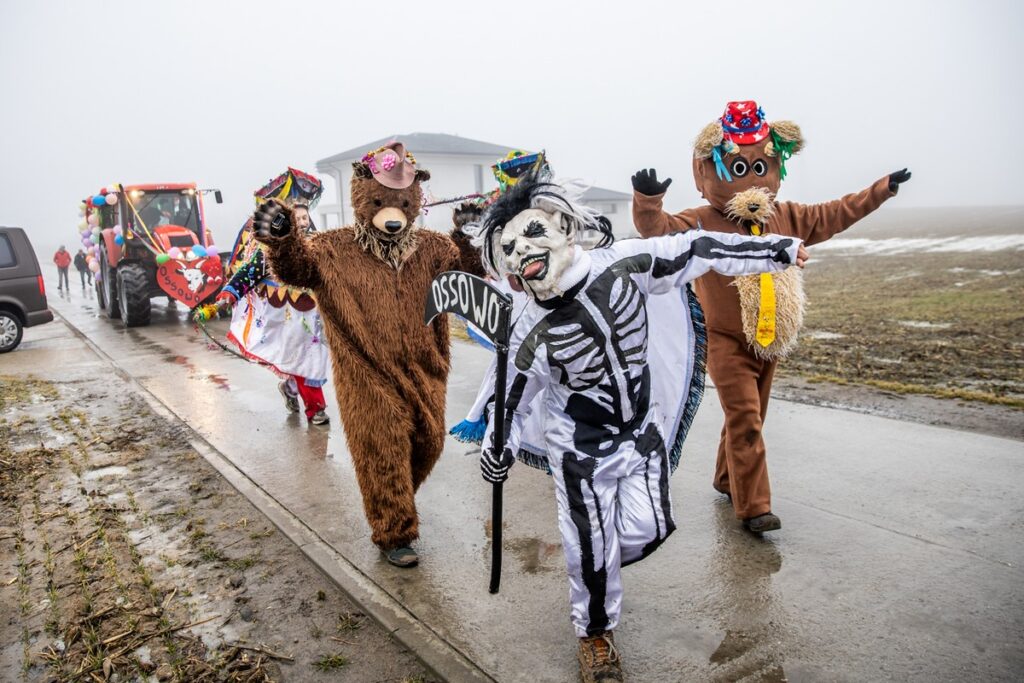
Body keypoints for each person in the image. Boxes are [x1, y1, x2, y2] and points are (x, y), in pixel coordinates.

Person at [476, 175, 807, 682]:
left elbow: (697, 247)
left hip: (640, 437)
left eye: (533, 233)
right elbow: (510, 401)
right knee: (590, 546)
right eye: (510, 248)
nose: (523, 251)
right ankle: (595, 636)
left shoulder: (626, 266)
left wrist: (773, 252)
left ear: (565, 228)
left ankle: (596, 570)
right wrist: (498, 445)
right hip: (579, 453)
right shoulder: (528, 329)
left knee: (647, 530)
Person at [631, 100, 910, 533]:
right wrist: (648, 202)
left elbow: (836, 212)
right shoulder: (704, 221)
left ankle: (728, 479)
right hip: (724, 339)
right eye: (739, 170)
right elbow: (660, 232)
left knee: (748, 415)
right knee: (745, 419)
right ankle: (755, 507)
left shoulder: (786, 216)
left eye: (762, 168)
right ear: (708, 171)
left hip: (769, 338)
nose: (753, 180)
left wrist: (881, 189)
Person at [216, 201, 331, 425]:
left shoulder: (320, 244)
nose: (302, 222)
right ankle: (315, 409)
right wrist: (229, 294)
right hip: (290, 318)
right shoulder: (271, 251)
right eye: (296, 219)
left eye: (305, 218)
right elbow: (248, 273)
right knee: (303, 360)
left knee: (316, 361)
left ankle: (289, 387)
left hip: (316, 316)